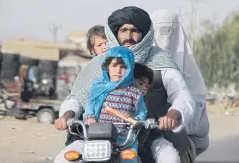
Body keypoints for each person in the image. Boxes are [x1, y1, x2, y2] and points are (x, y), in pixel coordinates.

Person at [55, 6, 195, 163]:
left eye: (134, 30)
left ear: (144, 34)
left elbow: (181, 94)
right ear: (115, 34)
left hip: (145, 133)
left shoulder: (160, 60)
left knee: (170, 158)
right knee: (63, 159)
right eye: (123, 30)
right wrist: (66, 116)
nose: (129, 36)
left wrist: (173, 114)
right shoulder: (99, 63)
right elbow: (77, 98)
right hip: (95, 134)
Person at [150, 9, 209, 156]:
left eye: (169, 30)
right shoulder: (140, 61)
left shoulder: (188, 67)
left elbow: (193, 99)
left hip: (182, 133)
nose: (165, 37)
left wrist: (178, 118)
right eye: (160, 30)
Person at [83, 46, 147, 163]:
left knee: (130, 160)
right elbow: (90, 105)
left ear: (130, 69)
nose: (118, 71)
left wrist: (135, 119)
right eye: (114, 66)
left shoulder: (134, 93)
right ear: (107, 67)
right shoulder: (98, 88)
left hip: (125, 140)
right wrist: (90, 117)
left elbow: (142, 112)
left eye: (123, 67)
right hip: (99, 137)